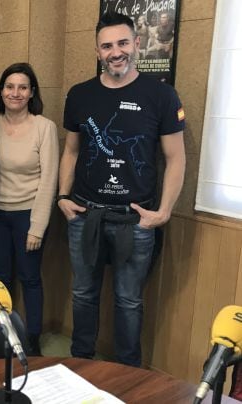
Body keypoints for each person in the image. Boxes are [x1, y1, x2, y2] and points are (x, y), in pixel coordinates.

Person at [58, 11, 185, 367]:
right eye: (107, 45)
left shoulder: (161, 96)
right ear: (97, 51)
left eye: (123, 43)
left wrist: (164, 212)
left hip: (136, 220)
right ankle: (79, 364)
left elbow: (176, 159)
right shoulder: (80, 94)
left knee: (129, 301)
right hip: (86, 215)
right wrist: (62, 198)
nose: (116, 52)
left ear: (137, 44)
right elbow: (70, 150)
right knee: (83, 295)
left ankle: (129, 374)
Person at [0, 63, 59, 356]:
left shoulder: (45, 127)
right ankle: (4, 337)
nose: (15, 93)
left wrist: (37, 227)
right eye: (9, 86)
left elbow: (49, 179)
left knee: (29, 278)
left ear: (32, 93)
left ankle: (32, 340)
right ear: (1, 91)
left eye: (22, 87)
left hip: (27, 214)